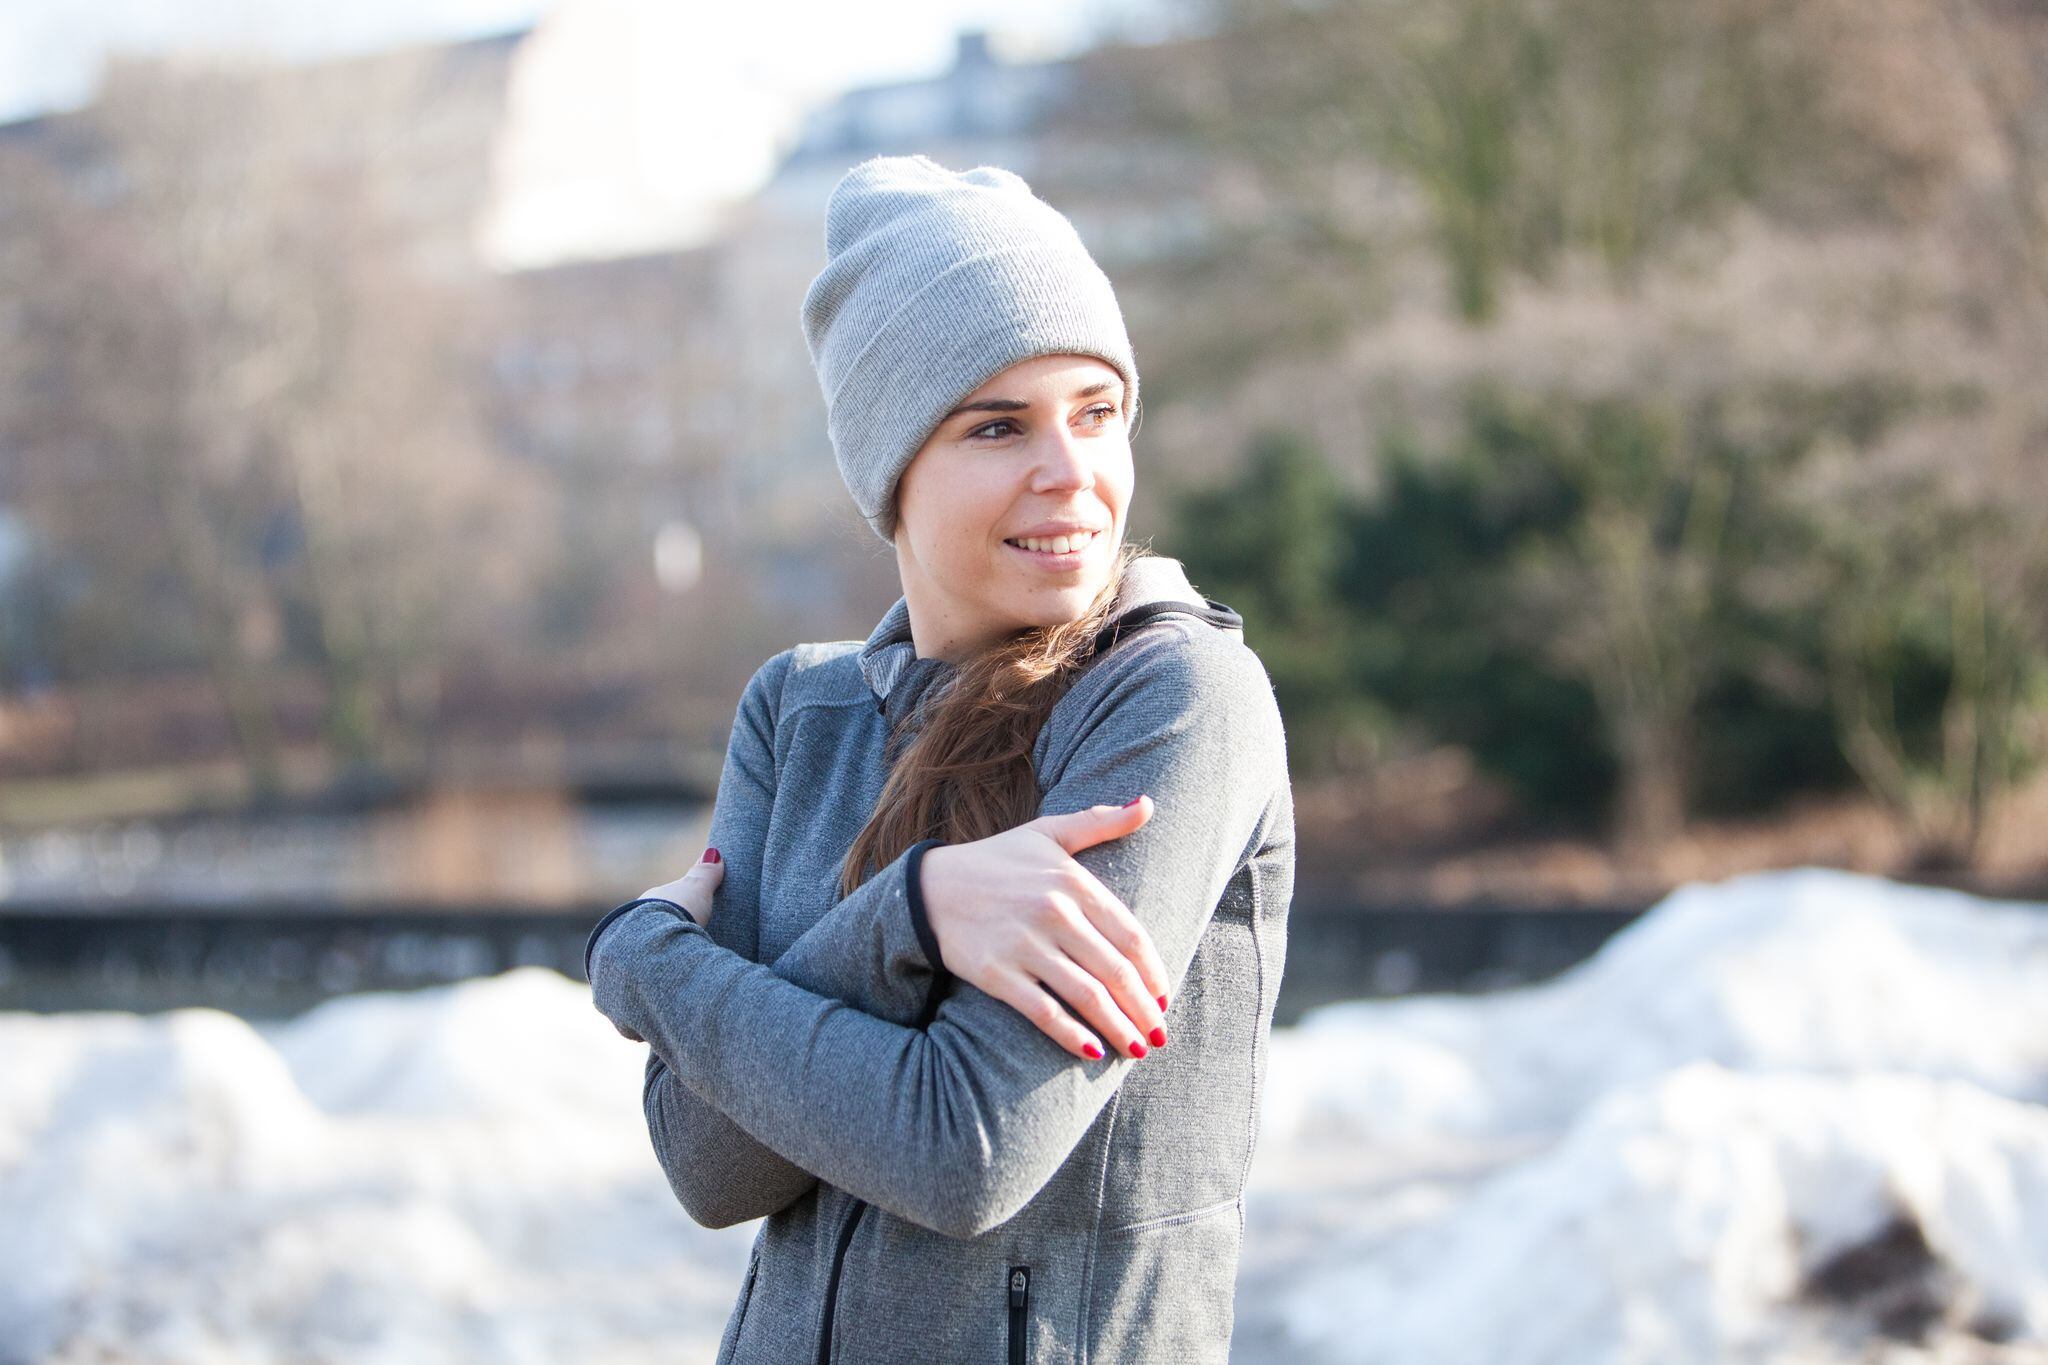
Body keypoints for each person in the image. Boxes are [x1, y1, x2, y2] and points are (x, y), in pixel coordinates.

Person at [585, 153, 1295, 1365]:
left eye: (1095, 411)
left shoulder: (1172, 698)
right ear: (891, 465)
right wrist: (913, 918)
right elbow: (707, 1164)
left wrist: (646, 957)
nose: (1068, 470)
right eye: (997, 425)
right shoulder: (796, 713)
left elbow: (964, 1148)